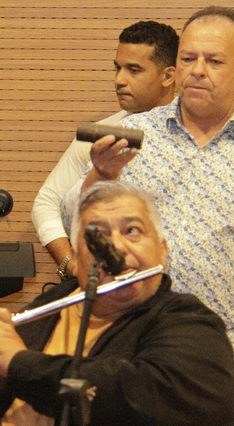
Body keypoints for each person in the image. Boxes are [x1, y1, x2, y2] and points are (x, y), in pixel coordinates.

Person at [73, 5, 234, 426]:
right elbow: (83, 233)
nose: (198, 71)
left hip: (226, 368)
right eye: (188, 58)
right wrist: (100, 175)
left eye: (214, 61)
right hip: (128, 355)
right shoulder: (135, 137)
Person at [0, 180, 234, 426]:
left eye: (132, 231)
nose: (116, 248)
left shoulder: (190, 324)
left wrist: (19, 363)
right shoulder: (35, 315)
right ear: (76, 258)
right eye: (97, 236)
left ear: (162, 250)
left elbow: (146, 398)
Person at [32, 21, 178, 280]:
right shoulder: (102, 134)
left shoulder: (193, 135)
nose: (119, 80)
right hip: (113, 291)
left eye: (134, 70)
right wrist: (70, 263)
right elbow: (46, 203)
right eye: (117, 68)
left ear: (168, 76)